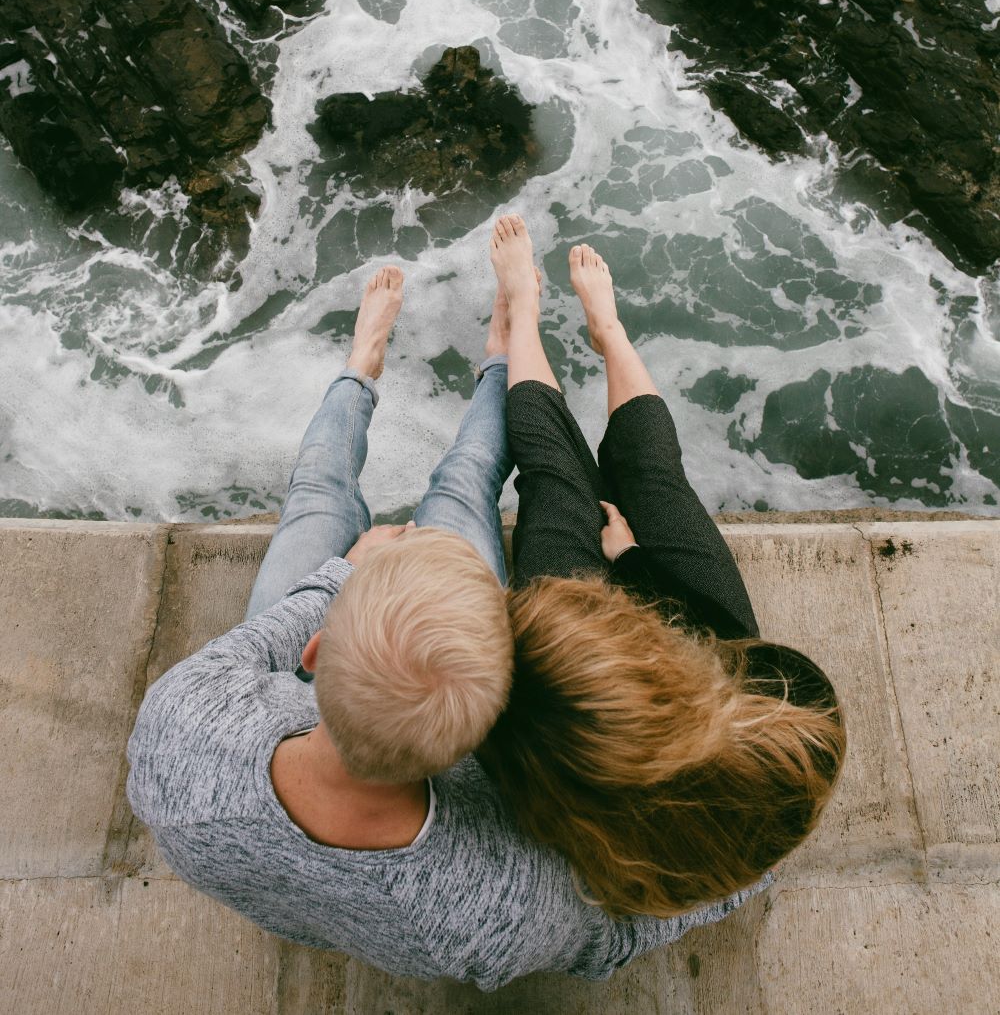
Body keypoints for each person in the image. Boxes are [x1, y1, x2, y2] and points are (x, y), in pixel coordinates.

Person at [126, 263, 760, 992]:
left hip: (307, 693)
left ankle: (364, 364)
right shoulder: (501, 901)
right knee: (462, 483)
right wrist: (749, 866)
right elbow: (612, 934)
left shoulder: (180, 729)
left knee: (316, 500)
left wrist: (342, 577)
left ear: (317, 646)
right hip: (390, 712)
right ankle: (497, 354)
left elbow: (246, 651)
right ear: (488, 734)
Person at [479, 214, 847, 919]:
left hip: (601, 704)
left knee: (556, 481)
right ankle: (607, 332)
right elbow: (711, 636)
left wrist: (610, 574)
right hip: (719, 646)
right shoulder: (788, 723)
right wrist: (636, 562)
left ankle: (523, 312)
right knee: (654, 476)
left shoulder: (553, 755)